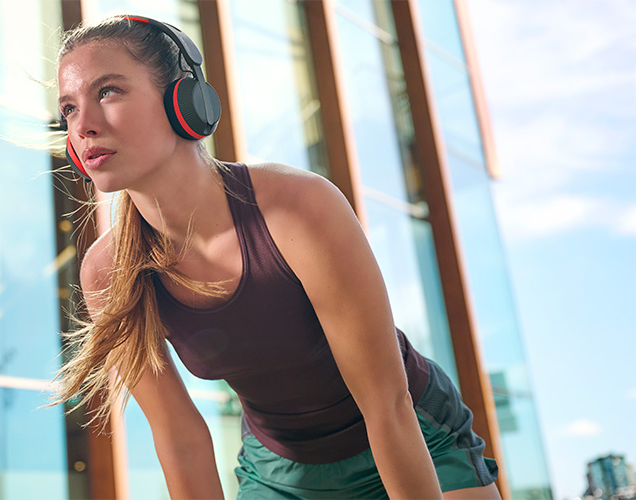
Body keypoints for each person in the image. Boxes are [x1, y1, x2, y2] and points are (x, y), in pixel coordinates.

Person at [51, 14, 501, 500]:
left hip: (413, 432)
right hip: (279, 470)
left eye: (109, 92)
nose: (84, 126)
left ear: (184, 100)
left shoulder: (299, 208)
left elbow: (386, 404)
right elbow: (180, 439)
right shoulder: (107, 272)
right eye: (69, 109)